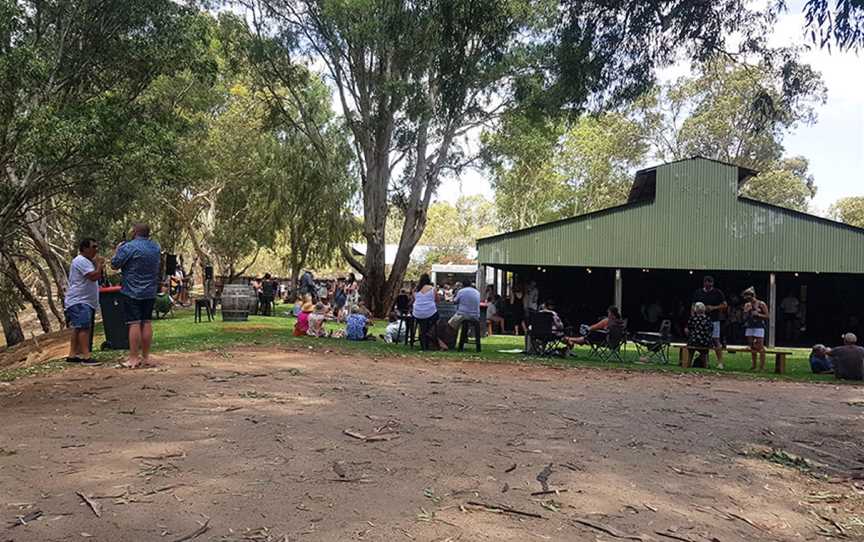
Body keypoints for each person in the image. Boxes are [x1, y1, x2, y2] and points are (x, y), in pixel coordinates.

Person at [110, 224, 161, 369]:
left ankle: (133, 357)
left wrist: (118, 250)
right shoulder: (155, 247)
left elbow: (115, 264)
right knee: (147, 322)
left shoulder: (128, 247)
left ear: (135, 232)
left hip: (132, 290)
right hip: (150, 290)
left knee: (134, 323)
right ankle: (146, 357)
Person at [64, 238, 104, 364]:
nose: (96, 250)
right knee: (84, 328)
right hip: (80, 301)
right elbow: (94, 276)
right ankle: (86, 356)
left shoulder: (86, 261)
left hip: (84, 301)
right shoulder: (81, 261)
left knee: (78, 327)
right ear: (85, 248)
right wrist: (99, 265)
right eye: (94, 247)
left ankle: (72, 355)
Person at [691, 275, 728, 369]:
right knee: (701, 340)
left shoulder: (718, 293)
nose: (709, 284)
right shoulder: (698, 292)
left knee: (716, 340)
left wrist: (713, 307)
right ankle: (704, 361)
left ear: (712, 283)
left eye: (710, 282)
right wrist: (693, 317)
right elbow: (693, 305)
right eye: (707, 282)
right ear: (704, 283)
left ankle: (720, 362)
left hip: (714, 319)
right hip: (700, 320)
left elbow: (724, 305)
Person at [742, 287, 770, 371]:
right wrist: (746, 312)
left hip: (759, 326)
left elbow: (767, 316)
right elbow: (744, 317)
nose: (747, 299)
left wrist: (759, 315)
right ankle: (754, 365)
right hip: (750, 326)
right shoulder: (747, 305)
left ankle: (762, 366)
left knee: (760, 346)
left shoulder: (761, 304)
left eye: (748, 297)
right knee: (752, 346)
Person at [412, 273, 439, 350]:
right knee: (436, 316)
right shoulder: (432, 289)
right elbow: (437, 300)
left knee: (423, 324)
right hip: (430, 313)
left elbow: (414, 300)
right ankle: (428, 333)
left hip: (417, 313)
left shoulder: (415, 289)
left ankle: (424, 337)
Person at [686, 302, 714, 368]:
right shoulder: (708, 319)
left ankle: (688, 364)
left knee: (690, 350)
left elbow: (688, 329)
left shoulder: (693, 318)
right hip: (705, 341)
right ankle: (706, 366)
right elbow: (711, 329)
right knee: (704, 352)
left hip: (694, 341)